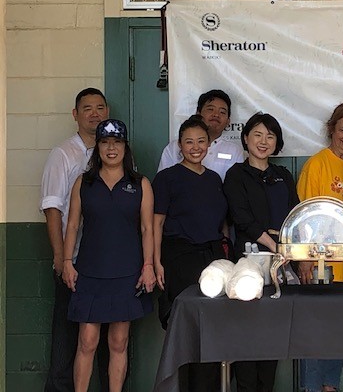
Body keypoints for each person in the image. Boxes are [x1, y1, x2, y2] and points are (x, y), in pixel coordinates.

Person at [62, 119, 155, 392]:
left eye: (117, 142)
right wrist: (67, 262)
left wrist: (148, 265)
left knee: (119, 342)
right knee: (87, 342)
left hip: (127, 272)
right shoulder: (84, 183)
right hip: (90, 271)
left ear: (126, 147)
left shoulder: (140, 184)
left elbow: (148, 228)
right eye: (105, 142)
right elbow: (72, 225)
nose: (111, 148)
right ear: (97, 147)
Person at [153, 114, 232, 392]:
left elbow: (221, 222)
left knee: (211, 330)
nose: (195, 147)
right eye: (189, 142)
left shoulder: (213, 179)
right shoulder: (166, 179)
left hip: (211, 260)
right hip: (178, 259)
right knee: (185, 330)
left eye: (201, 141)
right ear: (180, 145)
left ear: (208, 145)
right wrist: (155, 263)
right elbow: (156, 224)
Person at [223, 112, 299, 392]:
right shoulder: (236, 175)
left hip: (282, 262)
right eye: (257, 134)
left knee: (272, 332)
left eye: (270, 136)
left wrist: (288, 251)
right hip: (248, 260)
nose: (263, 141)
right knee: (246, 330)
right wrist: (272, 245)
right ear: (245, 138)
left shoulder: (282, 175)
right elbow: (241, 217)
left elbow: (295, 214)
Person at [41, 87, 110, 392]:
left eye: (99, 108)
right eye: (87, 109)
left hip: (109, 263)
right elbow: (53, 208)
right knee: (68, 337)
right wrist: (60, 257)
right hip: (75, 259)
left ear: (107, 112)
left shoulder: (114, 151)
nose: (94, 114)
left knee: (108, 339)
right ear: (75, 115)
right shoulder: (64, 154)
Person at [296, 102, 343, 392]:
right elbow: (302, 216)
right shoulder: (316, 164)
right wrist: (303, 259)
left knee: (339, 333)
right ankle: (311, 388)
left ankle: (331, 387)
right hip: (317, 265)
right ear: (331, 130)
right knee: (314, 333)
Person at [157, 89, 243, 180]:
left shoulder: (235, 151)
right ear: (198, 113)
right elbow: (163, 182)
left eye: (222, 112)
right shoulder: (174, 148)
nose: (216, 115)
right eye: (210, 109)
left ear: (228, 121)